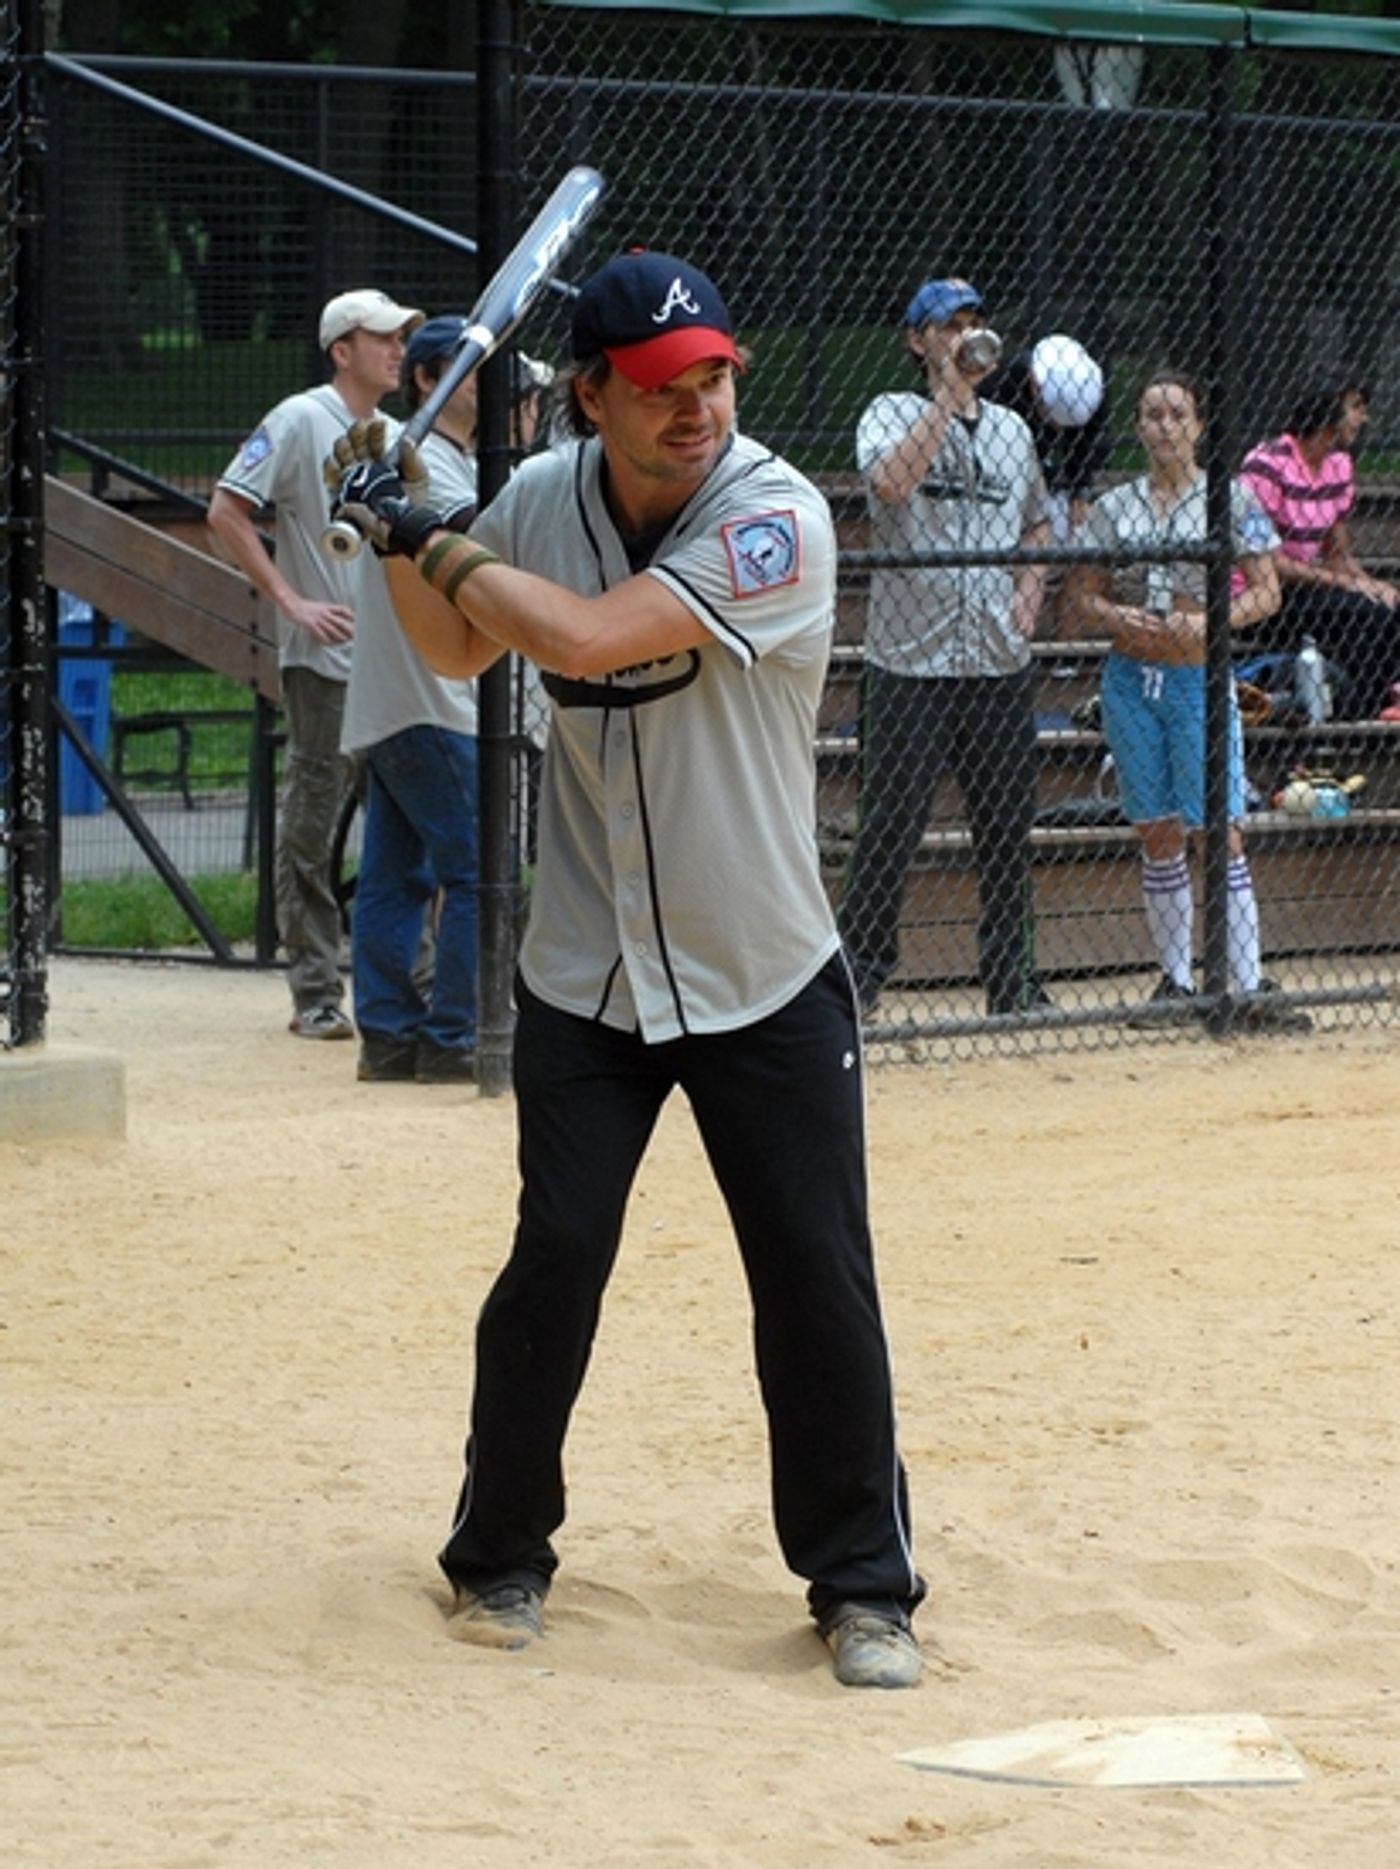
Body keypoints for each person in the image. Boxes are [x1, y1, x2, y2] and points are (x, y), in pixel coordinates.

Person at [326, 247, 926, 1690]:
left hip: (761, 968)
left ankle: (863, 1587)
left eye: (712, 375)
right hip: (588, 969)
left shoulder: (776, 515)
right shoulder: (538, 499)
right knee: (558, 1259)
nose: (695, 407)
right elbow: (457, 649)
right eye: (659, 388)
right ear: (589, 396)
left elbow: (588, 635)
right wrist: (401, 531)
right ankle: (498, 1554)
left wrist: (432, 529)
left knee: (815, 1279)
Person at [1062, 371, 1310, 1033]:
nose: (1166, 425)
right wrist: (1117, 615)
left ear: (1198, 426)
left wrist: (1211, 620)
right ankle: (1174, 980)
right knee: (1158, 830)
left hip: (1197, 676)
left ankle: (1247, 984)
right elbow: (1080, 597)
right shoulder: (1116, 506)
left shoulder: (1228, 499)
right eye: (1152, 414)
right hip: (1131, 677)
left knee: (1220, 829)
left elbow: (1268, 591)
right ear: (1139, 427)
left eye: (1178, 413)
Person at [207, 287, 422, 1040]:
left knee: (409, 829)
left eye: (402, 338)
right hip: (326, 662)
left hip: (396, 663)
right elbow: (226, 510)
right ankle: (314, 990)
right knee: (315, 824)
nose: (398, 349)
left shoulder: (399, 432)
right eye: (384, 337)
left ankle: (410, 986)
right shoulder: (300, 419)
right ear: (342, 349)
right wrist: (289, 599)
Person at [836, 276, 1052, 1020]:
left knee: (1005, 827)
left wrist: (1030, 589)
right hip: (909, 662)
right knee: (890, 826)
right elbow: (891, 487)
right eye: (948, 325)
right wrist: (946, 398)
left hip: (995, 662)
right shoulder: (890, 413)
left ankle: (1013, 982)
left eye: (974, 322)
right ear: (916, 339)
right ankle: (856, 980)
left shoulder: (1014, 431)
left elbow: (1036, 523)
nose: (964, 335)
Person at [341, 316, 489, 1084]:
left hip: (396, 700)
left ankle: (391, 1035)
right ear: (428, 379)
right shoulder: (423, 456)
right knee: (478, 869)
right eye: (470, 371)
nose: (497, 391)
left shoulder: (419, 454)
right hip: (435, 698)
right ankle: (456, 1034)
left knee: (396, 875)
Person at [1239, 368, 1399, 718]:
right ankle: (1357, 717)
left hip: (1308, 590)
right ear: (1329, 409)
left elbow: (1338, 555)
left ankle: (1376, 707)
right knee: (1366, 614)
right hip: (1258, 594)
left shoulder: (1339, 465)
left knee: (1388, 604)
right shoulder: (1266, 464)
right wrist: (1346, 584)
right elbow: (1269, 562)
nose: (1363, 417)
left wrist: (1371, 583)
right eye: (1356, 407)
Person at [981, 331, 1107, 541]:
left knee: (1068, 518)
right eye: (1052, 419)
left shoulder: (1092, 388)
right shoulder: (997, 384)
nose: (1058, 429)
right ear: (1035, 387)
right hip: (999, 463)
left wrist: (1079, 489)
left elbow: (1085, 441)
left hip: (1043, 468)